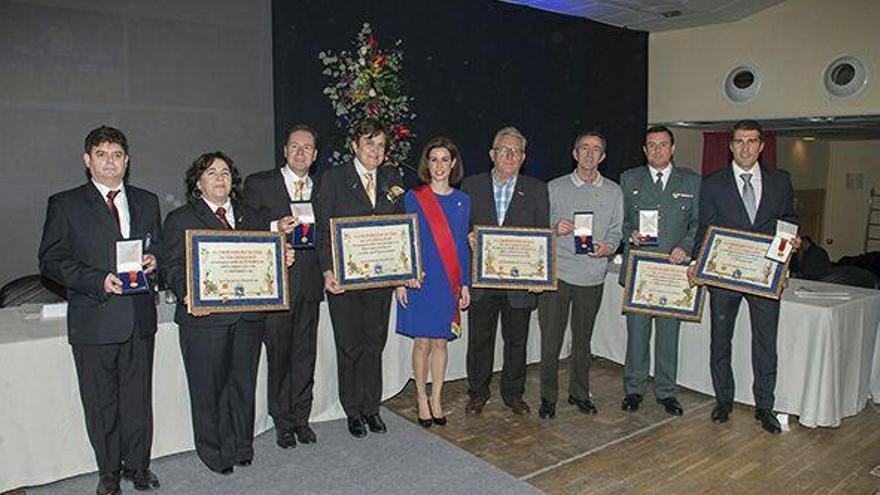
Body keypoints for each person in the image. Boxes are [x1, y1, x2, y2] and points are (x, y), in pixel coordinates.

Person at [38, 125, 163, 495]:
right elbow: (50, 260)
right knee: (101, 402)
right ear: (87, 160)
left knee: (138, 401)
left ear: (127, 160)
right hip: (94, 317)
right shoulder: (65, 203)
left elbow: (158, 252)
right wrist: (97, 280)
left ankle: (138, 467)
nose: (111, 162)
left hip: (139, 319)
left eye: (118, 155)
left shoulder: (147, 200)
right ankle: (109, 472)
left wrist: (155, 261)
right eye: (102, 154)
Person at [162, 152, 288, 473]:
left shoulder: (254, 217)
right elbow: (171, 266)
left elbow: (262, 262)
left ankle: (242, 445)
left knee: (243, 383)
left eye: (225, 173)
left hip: (247, 318)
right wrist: (187, 292)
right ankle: (214, 451)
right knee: (209, 386)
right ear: (198, 182)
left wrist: (280, 261)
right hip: (203, 320)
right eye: (212, 172)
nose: (220, 178)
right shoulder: (181, 219)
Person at [694, 120, 798, 434]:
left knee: (766, 343)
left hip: (766, 277)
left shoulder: (781, 180)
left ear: (762, 145)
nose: (745, 147)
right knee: (720, 341)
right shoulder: (713, 183)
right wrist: (699, 262)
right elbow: (705, 230)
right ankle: (723, 400)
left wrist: (790, 242)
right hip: (724, 277)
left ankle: (764, 406)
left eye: (752, 141)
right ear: (730, 146)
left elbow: (789, 219)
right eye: (739, 141)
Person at [315, 118, 405, 438]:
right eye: (369, 143)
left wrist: (401, 275)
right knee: (349, 345)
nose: (375, 150)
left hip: (379, 280)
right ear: (355, 146)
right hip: (344, 280)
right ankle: (352, 409)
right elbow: (322, 230)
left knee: (374, 343)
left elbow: (400, 232)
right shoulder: (333, 179)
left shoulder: (393, 178)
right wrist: (327, 270)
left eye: (381, 145)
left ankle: (371, 407)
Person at [242, 124, 324, 448]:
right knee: (280, 356)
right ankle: (282, 421)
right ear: (285, 151)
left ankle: (301, 418)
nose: (300, 152)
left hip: (311, 284)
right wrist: (276, 227)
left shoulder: (323, 188)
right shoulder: (260, 184)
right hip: (276, 286)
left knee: (305, 355)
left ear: (315, 155)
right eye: (294, 146)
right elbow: (244, 225)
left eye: (307, 148)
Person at [461, 126, 549, 416]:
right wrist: (469, 237)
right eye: (504, 150)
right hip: (482, 282)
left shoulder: (536, 189)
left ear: (523, 157)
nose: (510, 155)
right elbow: (460, 229)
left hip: (519, 286)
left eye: (516, 151)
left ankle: (513, 394)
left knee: (516, 342)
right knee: (479, 341)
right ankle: (477, 393)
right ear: (492, 154)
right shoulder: (471, 187)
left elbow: (541, 235)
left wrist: (540, 276)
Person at [538, 131, 623, 420]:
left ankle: (579, 393)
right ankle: (548, 398)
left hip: (592, 277)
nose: (589, 154)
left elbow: (616, 231)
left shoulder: (614, 191)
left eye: (596, 149)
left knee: (584, 342)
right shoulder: (554, 188)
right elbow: (537, 228)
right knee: (550, 341)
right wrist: (553, 227)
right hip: (558, 276)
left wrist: (608, 248)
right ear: (574, 154)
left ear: (603, 157)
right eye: (584, 148)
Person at [619, 125, 700, 416]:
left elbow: (697, 223)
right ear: (644, 150)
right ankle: (634, 389)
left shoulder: (690, 181)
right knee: (637, 336)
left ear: (672, 149)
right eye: (651, 145)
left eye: (662, 145)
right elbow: (622, 223)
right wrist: (630, 236)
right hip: (640, 272)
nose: (657, 150)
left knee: (668, 337)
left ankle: (666, 392)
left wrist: (686, 247)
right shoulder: (629, 180)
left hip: (673, 273)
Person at [395, 137, 471, 427]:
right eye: (434, 159)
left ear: (453, 164)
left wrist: (464, 284)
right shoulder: (414, 197)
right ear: (427, 164)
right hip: (420, 280)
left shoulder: (464, 201)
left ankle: (437, 397)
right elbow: (405, 239)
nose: (439, 166)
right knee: (423, 342)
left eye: (444, 160)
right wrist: (401, 279)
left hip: (447, 280)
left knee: (441, 342)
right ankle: (421, 398)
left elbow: (462, 247)